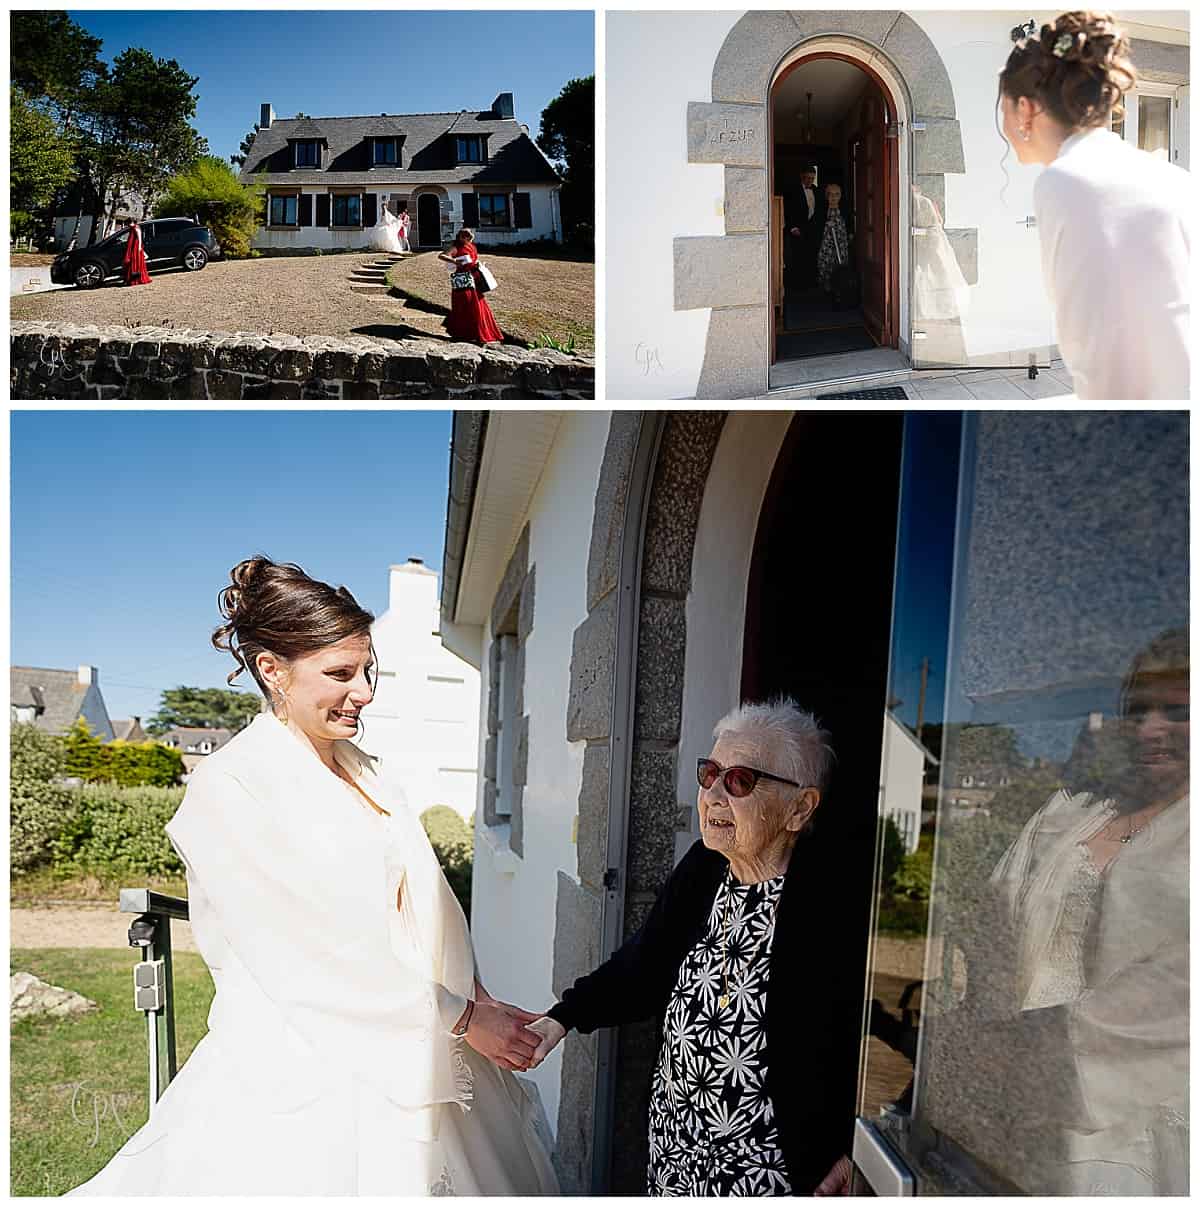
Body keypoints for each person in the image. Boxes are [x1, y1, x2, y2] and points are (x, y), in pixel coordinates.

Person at [67, 557, 559, 1197]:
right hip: (310, 1071)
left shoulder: (365, 768)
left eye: (366, 670)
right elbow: (308, 953)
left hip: (424, 1037)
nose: (365, 692)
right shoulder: (231, 789)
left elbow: (423, 900)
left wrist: (480, 996)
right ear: (272, 670)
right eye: (340, 673)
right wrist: (463, 1017)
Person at [526, 698, 859, 1196]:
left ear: (799, 808)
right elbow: (643, 965)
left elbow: (879, 1042)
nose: (714, 795)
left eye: (741, 780)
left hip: (769, 1174)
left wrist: (851, 1148)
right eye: (709, 774)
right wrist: (563, 1017)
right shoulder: (705, 868)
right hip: (675, 1154)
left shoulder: (833, 909)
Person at [986, 628, 1189, 1194]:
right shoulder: (1069, 819)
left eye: (1176, 711)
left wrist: (1035, 1049)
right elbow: (990, 935)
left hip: (1124, 1113)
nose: (1151, 729)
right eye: (1138, 710)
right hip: (1010, 1100)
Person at [998, 11, 1192, 398]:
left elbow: (1101, 355)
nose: (1002, 123)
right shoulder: (1172, 177)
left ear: (1024, 109)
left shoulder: (1066, 181)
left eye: (1002, 106)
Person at [438, 228, 503, 344]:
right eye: (465, 237)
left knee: (477, 305)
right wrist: (455, 262)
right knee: (464, 304)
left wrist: (478, 264)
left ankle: (476, 332)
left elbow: (474, 259)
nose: (467, 239)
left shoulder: (471, 246)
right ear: (461, 237)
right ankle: (463, 333)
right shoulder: (456, 247)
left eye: (468, 238)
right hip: (463, 278)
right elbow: (442, 256)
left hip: (474, 277)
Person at [785, 165, 825, 288]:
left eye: (812, 178)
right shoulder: (792, 190)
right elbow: (787, 209)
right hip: (798, 230)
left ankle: (812, 284)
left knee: (813, 256)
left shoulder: (817, 191)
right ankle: (798, 285)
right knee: (798, 257)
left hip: (814, 230)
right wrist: (792, 227)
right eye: (807, 178)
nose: (810, 181)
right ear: (802, 176)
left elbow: (821, 210)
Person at [815, 182, 853, 294]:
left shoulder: (844, 208)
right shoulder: (821, 209)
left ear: (840, 196)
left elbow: (850, 223)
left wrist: (850, 234)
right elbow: (815, 225)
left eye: (836, 194)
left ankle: (839, 287)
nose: (833, 197)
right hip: (826, 243)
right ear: (827, 196)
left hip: (841, 241)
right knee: (824, 264)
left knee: (841, 263)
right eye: (830, 194)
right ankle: (826, 287)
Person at [123, 219, 150, 287]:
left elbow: (139, 238)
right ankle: (132, 279)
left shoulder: (136, 228)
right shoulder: (132, 228)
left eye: (127, 223)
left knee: (135, 261)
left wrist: (139, 247)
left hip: (136, 247)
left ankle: (136, 279)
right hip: (133, 247)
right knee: (133, 262)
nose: (127, 225)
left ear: (131, 222)